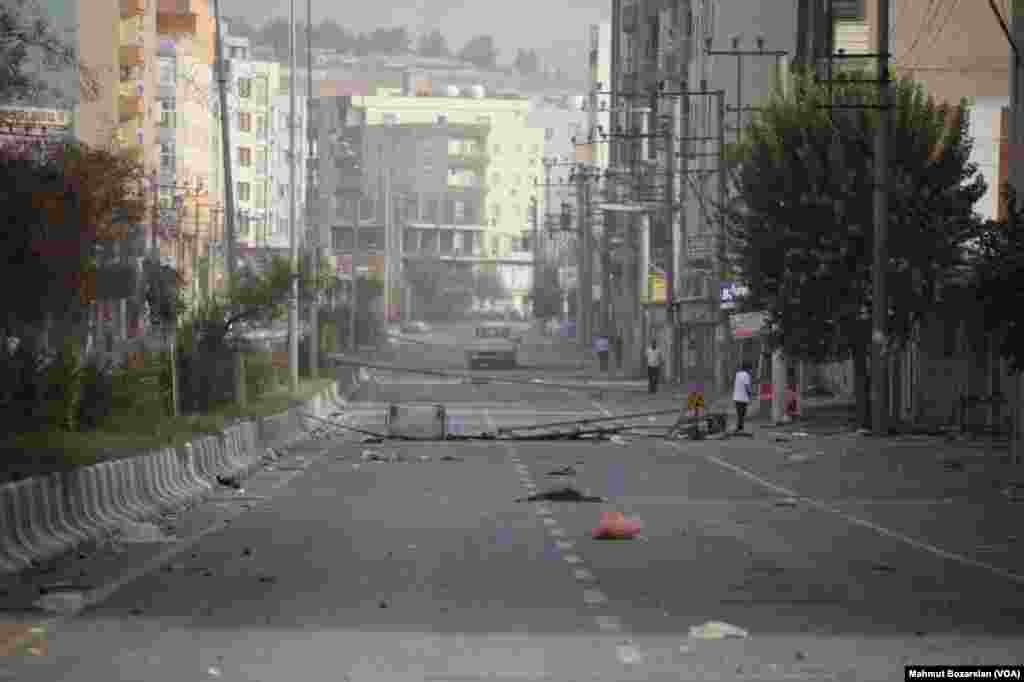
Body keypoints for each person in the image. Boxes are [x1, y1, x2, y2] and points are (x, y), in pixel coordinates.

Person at [733, 362, 753, 432]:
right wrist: (750, 394)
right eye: (751, 369)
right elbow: (747, 386)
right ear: (747, 369)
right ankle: (739, 428)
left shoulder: (737, 374)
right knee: (742, 414)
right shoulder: (746, 375)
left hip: (736, 397)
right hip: (743, 398)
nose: (751, 371)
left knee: (739, 414)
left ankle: (739, 427)